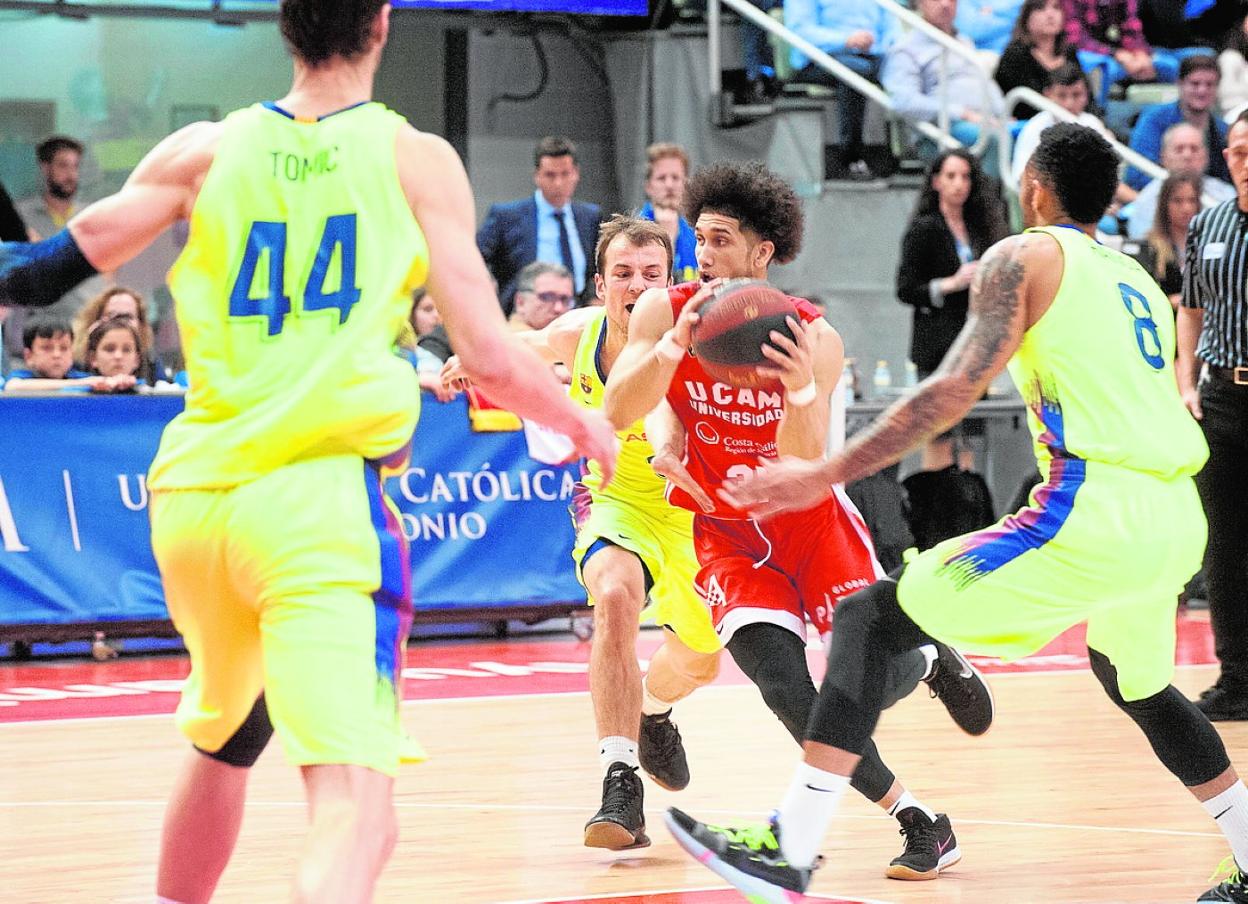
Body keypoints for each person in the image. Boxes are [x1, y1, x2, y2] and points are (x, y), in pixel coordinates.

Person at [0, 2, 618, 901]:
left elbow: (43, 268)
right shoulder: (413, 158)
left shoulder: (205, 152)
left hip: (194, 497)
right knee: (359, 808)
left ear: (285, 31)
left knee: (227, 739)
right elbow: (486, 353)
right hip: (316, 505)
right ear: (381, 22)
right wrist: (583, 421)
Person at [666, 122, 1248, 904]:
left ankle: (791, 843)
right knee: (1137, 682)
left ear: (1034, 188)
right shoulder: (1136, 275)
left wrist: (825, 471)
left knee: (872, 618)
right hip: (1175, 516)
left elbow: (951, 389)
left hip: (1092, 505)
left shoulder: (1022, 255)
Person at [603, 160, 996, 881]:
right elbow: (618, 410)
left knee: (875, 679)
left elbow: (803, 454)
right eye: (698, 237)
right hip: (724, 531)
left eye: (721, 240)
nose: (703, 253)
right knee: (787, 690)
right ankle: (920, 820)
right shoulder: (666, 311)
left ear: (763, 253)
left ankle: (931, 656)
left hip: (809, 523)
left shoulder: (814, 337)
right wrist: (667, 355)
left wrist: (796, 387)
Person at [446, 214, 722, 850]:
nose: (636, 285)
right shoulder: (579, 332)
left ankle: (652, 712)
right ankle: (620, 780)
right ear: (601, 286)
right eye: (622, 274)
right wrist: (471, 361)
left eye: (651, 274)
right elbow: (520, 348)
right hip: (615, 498)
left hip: (692, 513)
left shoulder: (698, 337)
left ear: (671, 281)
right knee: (617, 594)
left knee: (701, 662)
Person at [1177, 109, 1248, 726]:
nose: (1243, 161)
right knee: (1224, 545)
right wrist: (1184, 384)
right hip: (1223, 396)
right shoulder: (1208, 224)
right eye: (1237, 151)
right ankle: (1236, 679)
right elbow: (1190, 311)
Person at [896, 148, 1009, 470]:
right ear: (936, 182)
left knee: (972, 434)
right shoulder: (924, 229)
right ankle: (937, 506)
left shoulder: (983, 228)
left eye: (965, 177)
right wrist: (950, 283)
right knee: (938, 434)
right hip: (937, 346)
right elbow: (905, 289)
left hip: (974, 344)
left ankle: (969, 503)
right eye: (951, 176)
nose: (959, 184)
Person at [6, 136, 110, 361]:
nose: (70, 174)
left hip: (85, 334)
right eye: (63, 165)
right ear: (45, 168)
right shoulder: (20, 215)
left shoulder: (92, 215)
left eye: (75, 166)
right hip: (35, 337)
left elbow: (110, 270)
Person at [476, 136, 603, 312]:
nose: (558, 183)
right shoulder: (506, 216)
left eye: (565, 174)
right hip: (521, 314)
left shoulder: (590, 216)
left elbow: (597, 266)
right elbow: (474, 256)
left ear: (576, 173)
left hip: (576, 311)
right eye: (550, 175)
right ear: (537, 176)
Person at [882, 0, 1006, 172]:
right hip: (941, 130)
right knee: (994, 139)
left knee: (1033, 134)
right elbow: (903, 101)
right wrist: (961, 113)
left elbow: (984, 82)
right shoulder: (906, 49)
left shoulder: (964, 41)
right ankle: (987, 199)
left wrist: (1002, 113)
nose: (945, 4)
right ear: (919, 3)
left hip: (986, 119)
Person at [783, 0, 897, 179]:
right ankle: (851, 156)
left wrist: (889, 47)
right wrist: (845, 40)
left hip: (872, 53)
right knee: (854, 71)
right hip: (819, 58)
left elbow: (892, 27)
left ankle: (906, 154)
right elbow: (800, 30)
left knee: (905, 64)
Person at [1126, 54, 1229, 192]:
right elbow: (1138, 172)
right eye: (1195, 83)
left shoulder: (1223, 130)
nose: (1202, 90)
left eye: (1209, 84)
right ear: (1179, 83)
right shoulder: (1154, 118)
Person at [1009, 62, 1115, 188]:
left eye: (1076, 95)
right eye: (1061, 96)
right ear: (1048, 95)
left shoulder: (1092, 123)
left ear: (1086, 94)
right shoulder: (1035, 128)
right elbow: (1022, 179)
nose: (1069, 104)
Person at [1125, 122, 1235, 239]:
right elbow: (1141, 243)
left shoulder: (1227, 194)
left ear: (1206, 156)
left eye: (1194, 149)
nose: (1187, 155)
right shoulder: (1147, 199)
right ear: (1163, 156)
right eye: (1179, 149)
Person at [1063, 0, 1177, 104]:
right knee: (1105, 71)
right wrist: (1115, 54)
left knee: (1170, 66)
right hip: (1097, 56)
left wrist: (1140, 53)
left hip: (1129, 56)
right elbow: (1077, 38)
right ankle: (1100, 114)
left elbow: (1132, 29)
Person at [994, 0, 1084, 120]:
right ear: (1027, 17)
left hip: (1074, 120)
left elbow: (1087, 96)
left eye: (1056, 8)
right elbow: (1021, 107)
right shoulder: (1015, 55)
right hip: (1029, 125)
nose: (1050, 15)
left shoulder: (1069, 52)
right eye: (1040, 8)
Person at [1127, 172, 1201, 308]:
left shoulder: (1206, 244)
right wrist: (1172, 301)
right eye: (1177, 201)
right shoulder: (1149, 246)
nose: (1186, 208)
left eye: (1192, 200)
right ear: (1164, 204)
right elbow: (1140, 297)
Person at [2, 317, 132, 394]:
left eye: (64, 348)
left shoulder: (79, 378)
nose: (57, 354)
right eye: (47, 348)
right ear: (29, 356)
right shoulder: (23, 377)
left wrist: (119, 382)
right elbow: (13, 386)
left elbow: (103, 383)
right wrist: (83, 383)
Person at [72, 285, 162, 384]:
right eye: (112, 316)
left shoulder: (151, 361)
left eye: (127, 317)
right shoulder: (74, 360)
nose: (120, 322)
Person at [639, 143, 698, 282]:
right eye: (661, 178)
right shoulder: (633, 228)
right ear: (648, 186)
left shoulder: (695, 229)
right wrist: (668, 237)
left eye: (676, 178)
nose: (669, 185)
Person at [509, 261, 576, 332]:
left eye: (565, 299)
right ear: (520, 302)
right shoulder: (505, 339)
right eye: (547, 297)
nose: (558, 308)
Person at [83, 315, 144, 385]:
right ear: (93, 358)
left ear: (136, 359)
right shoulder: (74, 385)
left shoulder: (150, 392)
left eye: (126, 350)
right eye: (110, 349)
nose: (118, 356)